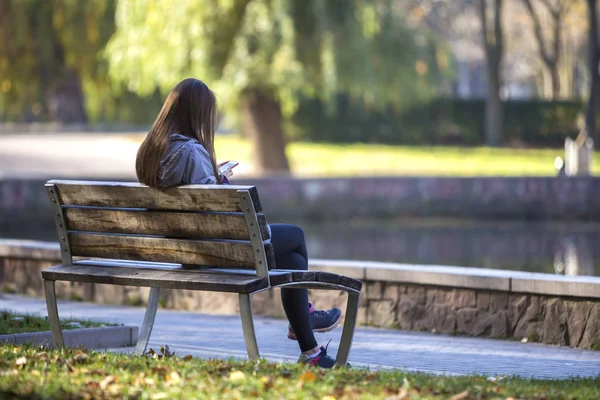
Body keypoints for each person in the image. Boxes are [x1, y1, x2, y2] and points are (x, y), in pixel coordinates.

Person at [135, 78, 342, 368]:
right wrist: (220, 181)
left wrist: (213, 177)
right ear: (196, 115)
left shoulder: (150, 153)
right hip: (215, 252)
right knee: (295, 237)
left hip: (182, 251)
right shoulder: (192, 152)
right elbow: (216, 214)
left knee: (293, 259)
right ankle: (303, 320)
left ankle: (311, 351)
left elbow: (192, 194)